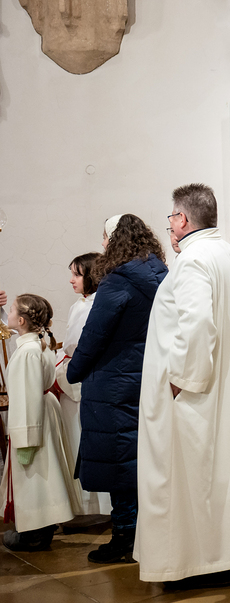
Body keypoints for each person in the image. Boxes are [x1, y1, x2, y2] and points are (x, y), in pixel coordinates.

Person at [134, 183, 230, 589]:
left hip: (192, 390)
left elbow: (196, 325)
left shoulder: (192, 259)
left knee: (183, 477)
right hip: (225, 382)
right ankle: (221, 558)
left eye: (172, 217)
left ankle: (185, 565)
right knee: (219, 476)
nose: (171, 224)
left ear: (182, 219)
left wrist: (182, 379)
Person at [66, 215, 168, 563]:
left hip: (113, 382)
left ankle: (125, 538)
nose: (103, 244)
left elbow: (94, 335)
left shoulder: (117, 281)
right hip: (148, 377)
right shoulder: (160, 274)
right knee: (140, 459)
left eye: (105, 238)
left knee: (119, 464)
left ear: (115, 240)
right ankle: (146, 534)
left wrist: (74, 370)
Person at [1, 294, 83, 551]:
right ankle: (41, 527)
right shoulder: (39, 342)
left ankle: (34, 534)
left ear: (21, 321)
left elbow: (26, 397)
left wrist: (25, 438)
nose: (8, 314)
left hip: (33, 417)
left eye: (11, 310)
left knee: (35, 476)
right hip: (44, 413)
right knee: (46, 475)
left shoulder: (27, 352)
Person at [54, 252, 112, 519]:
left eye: (77, 274)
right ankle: (84, 506)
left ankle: (96, 508)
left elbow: (81, 346)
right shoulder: (81, 304)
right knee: (75, 439)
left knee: (83, 440)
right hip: (73, 374)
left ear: (92, 275)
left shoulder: (95, 305)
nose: (71, 280)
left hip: (83, 379)